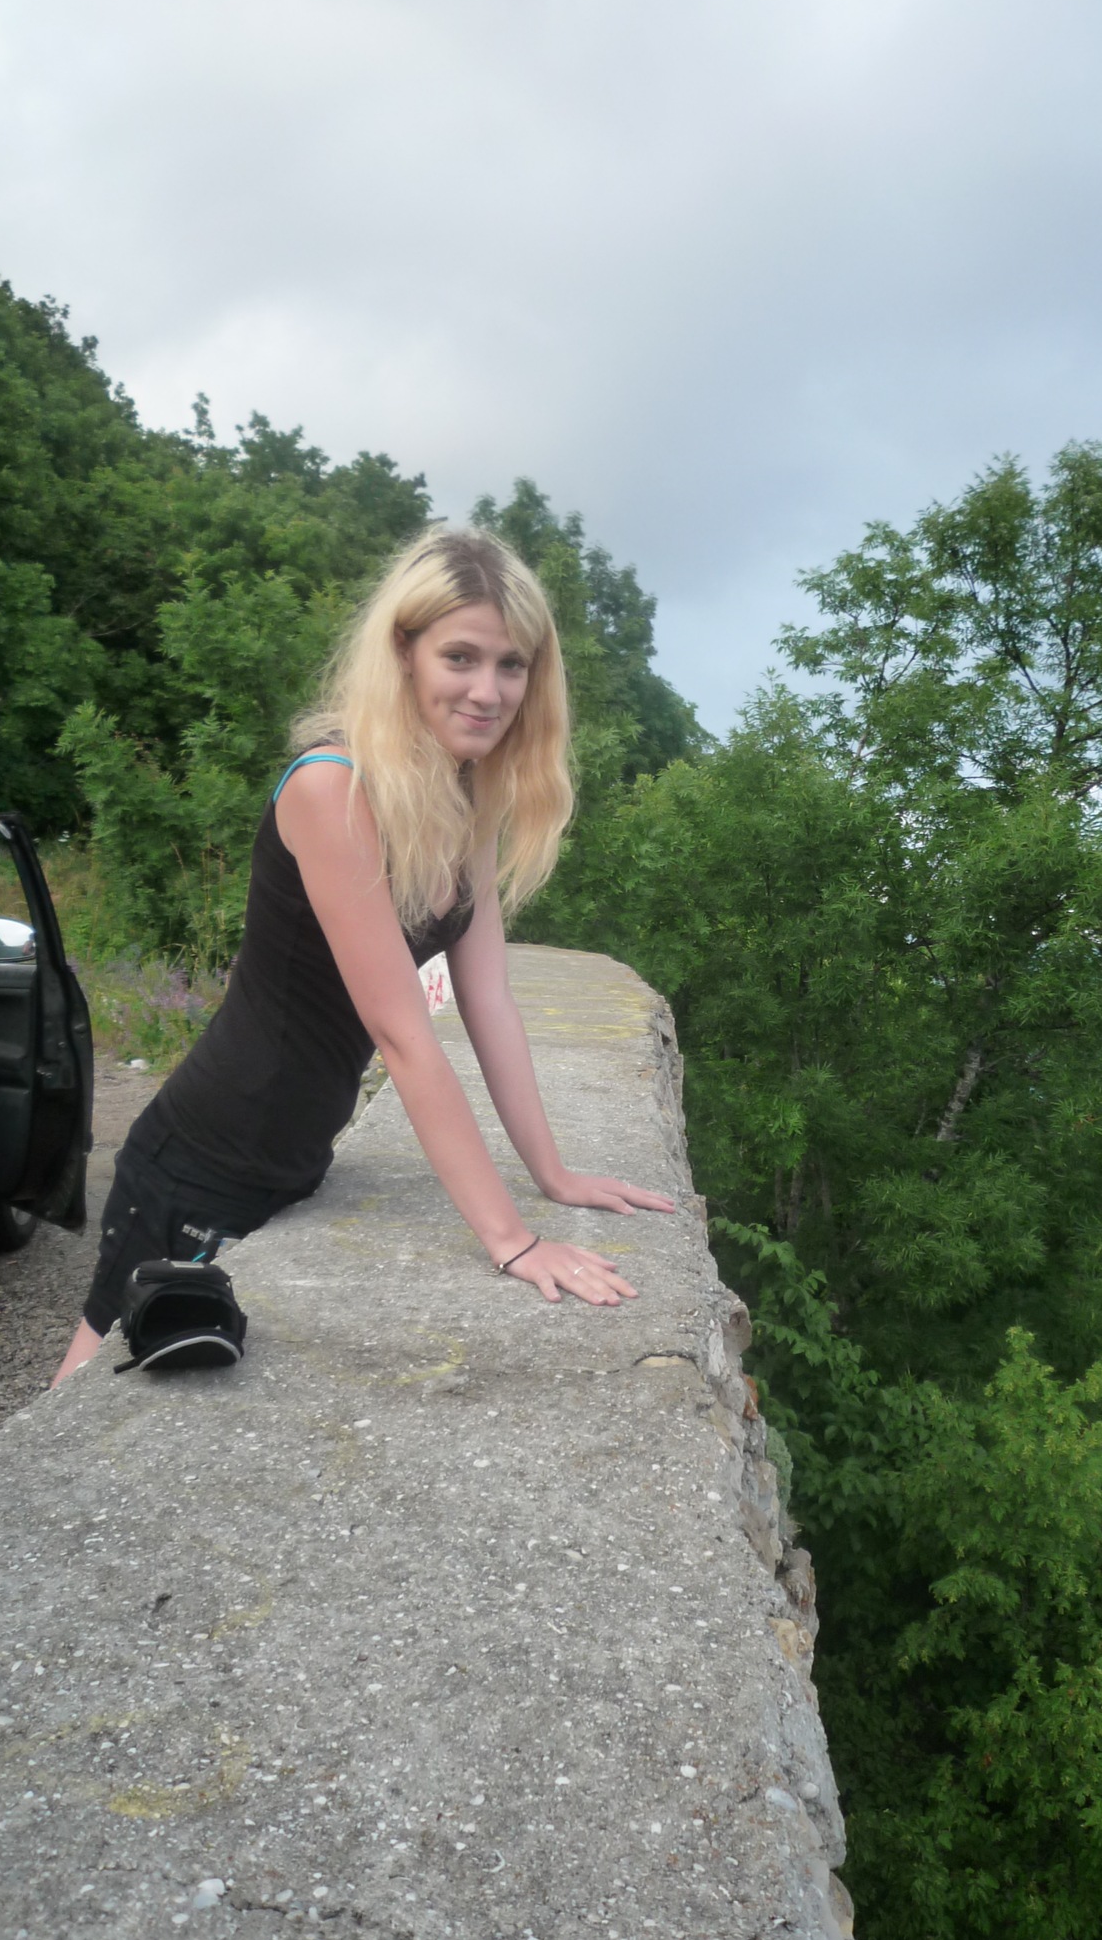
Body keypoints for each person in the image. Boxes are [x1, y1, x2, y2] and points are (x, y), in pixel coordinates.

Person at [51, 526, 673, 1385]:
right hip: (204, 1160)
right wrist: (512, 1240)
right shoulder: (332, 787)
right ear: (403, 653)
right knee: (92, 1376)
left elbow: (490, 1001)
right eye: (461, 657)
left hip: (298, 1154)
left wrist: (553, 1174)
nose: (488, 691)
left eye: (512, 665)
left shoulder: (464, 798)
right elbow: (404, 1034)